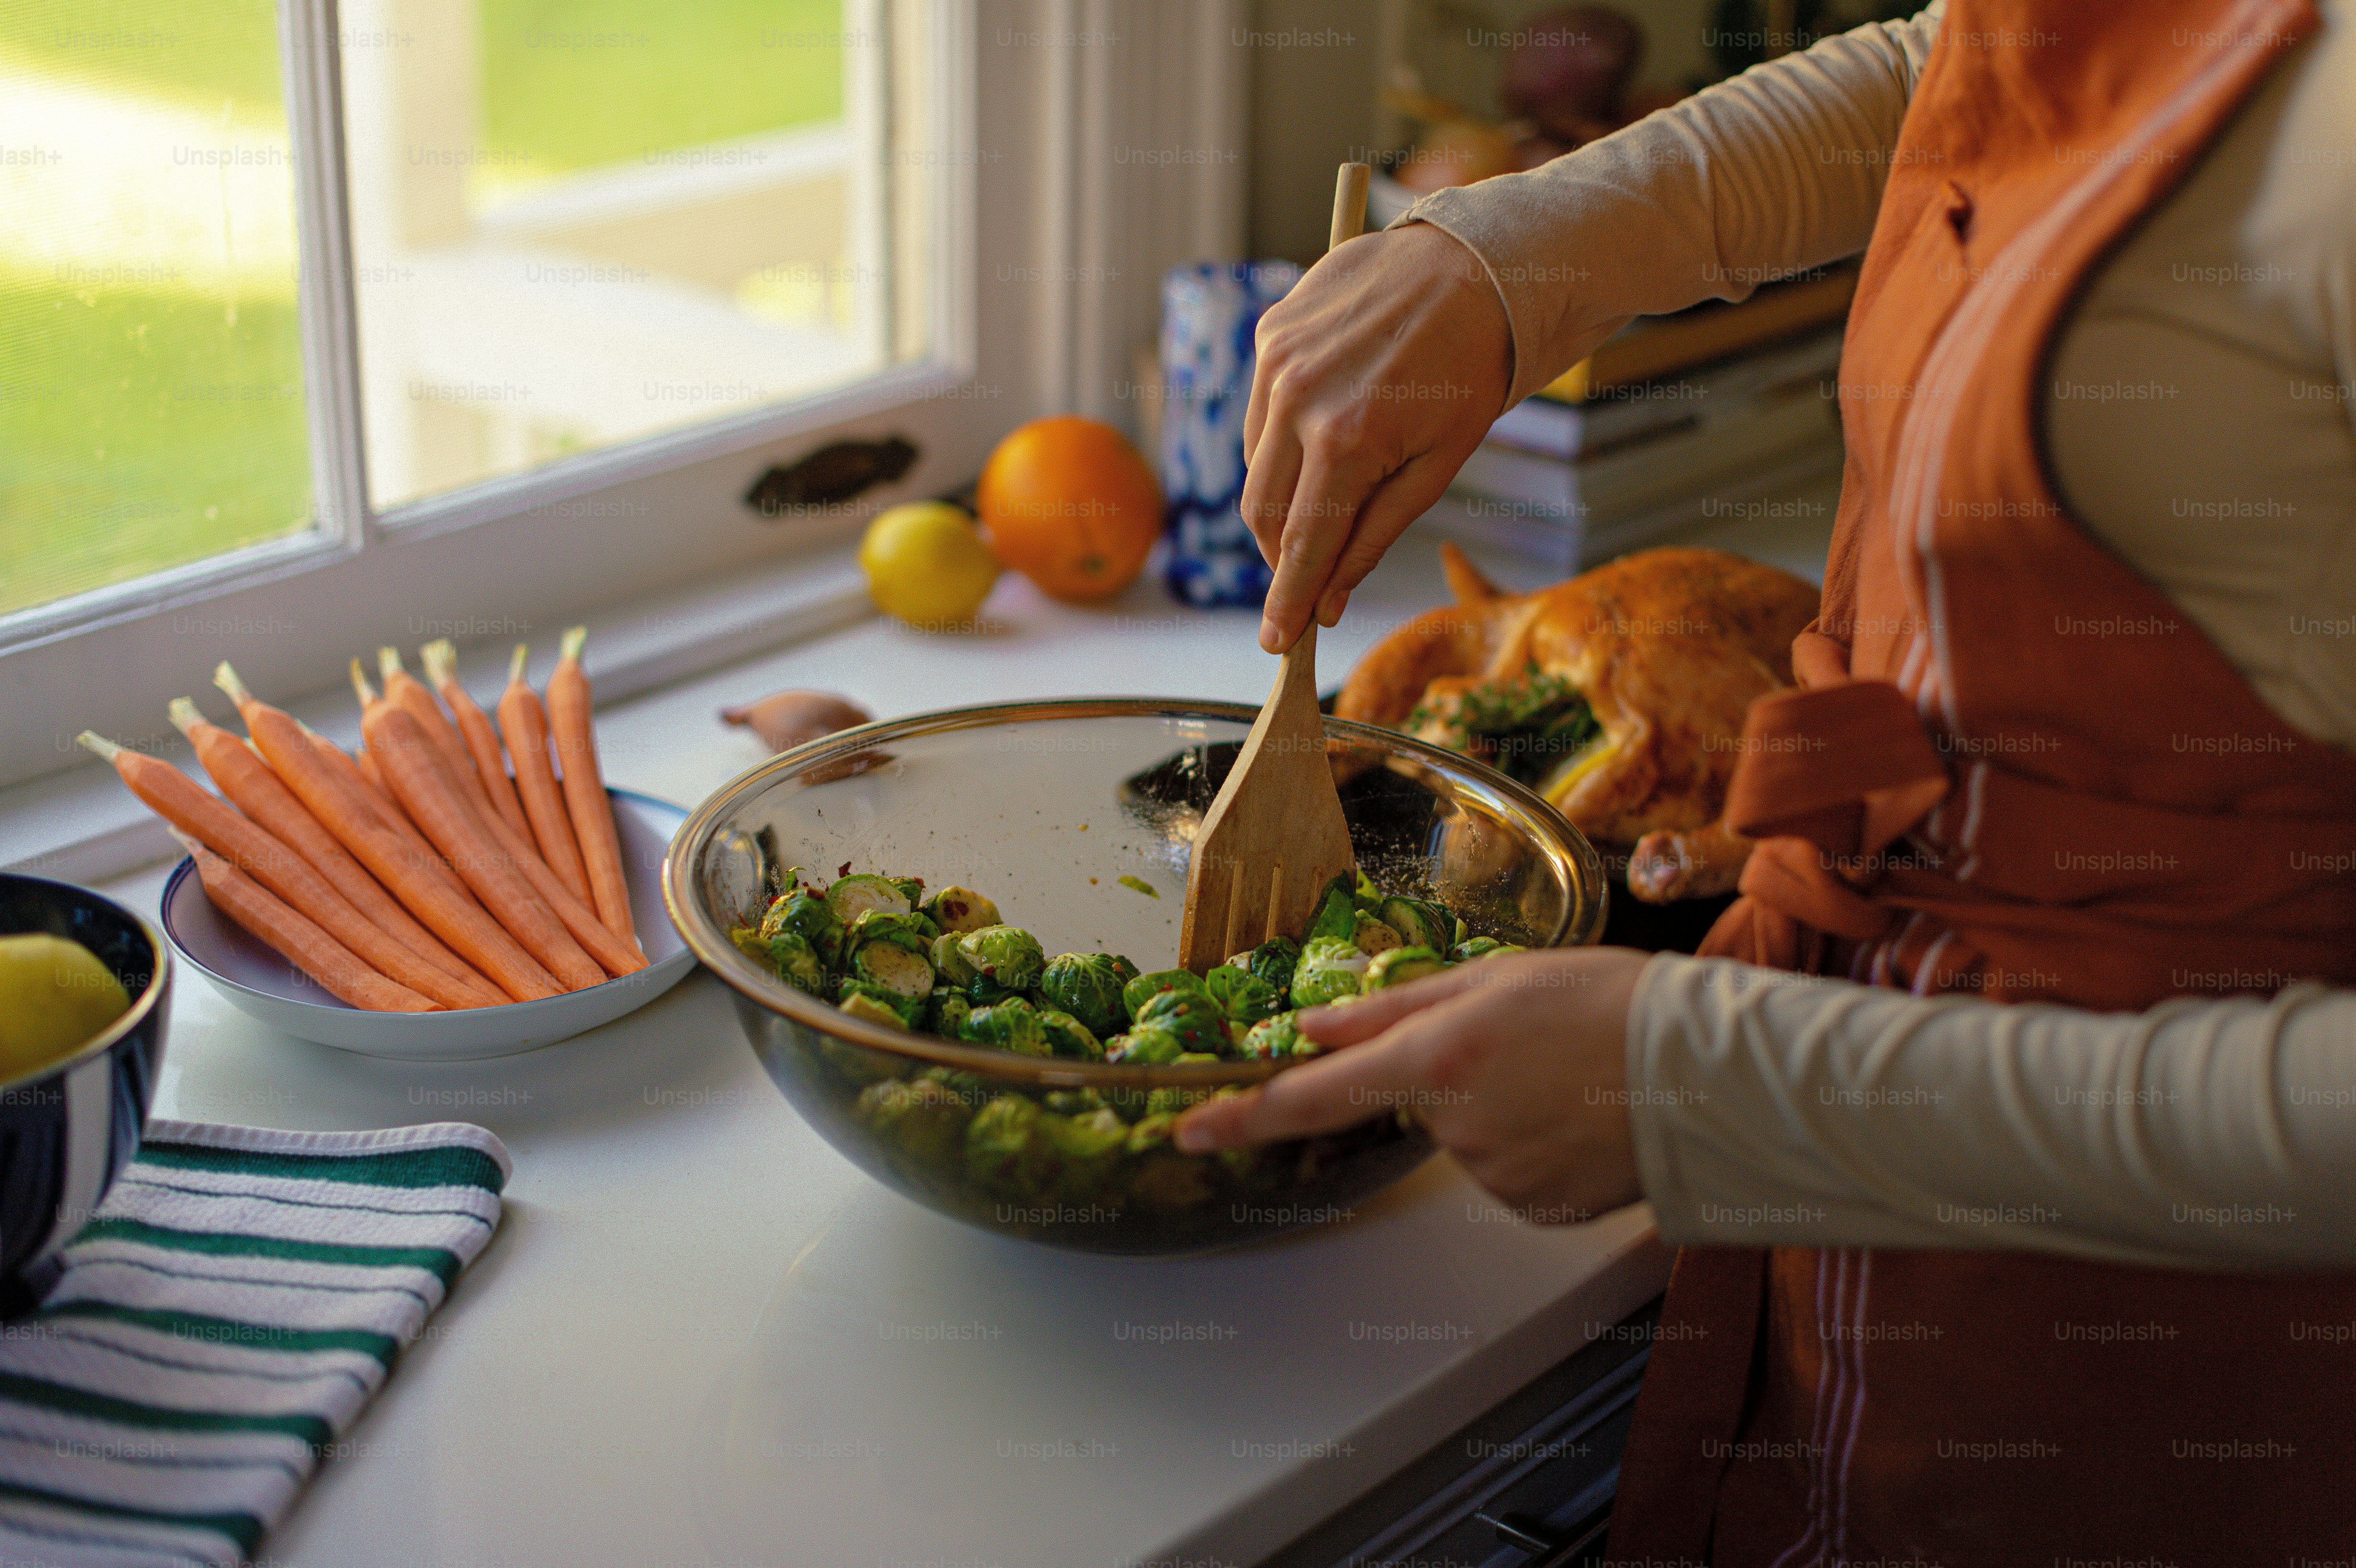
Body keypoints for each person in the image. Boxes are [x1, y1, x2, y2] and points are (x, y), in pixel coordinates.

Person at [1174, 0, 2356, 1559]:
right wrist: (1515, 256)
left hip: (2173, 1319)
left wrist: (1728, 1092)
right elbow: (1980, 66)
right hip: (1887, 1151)